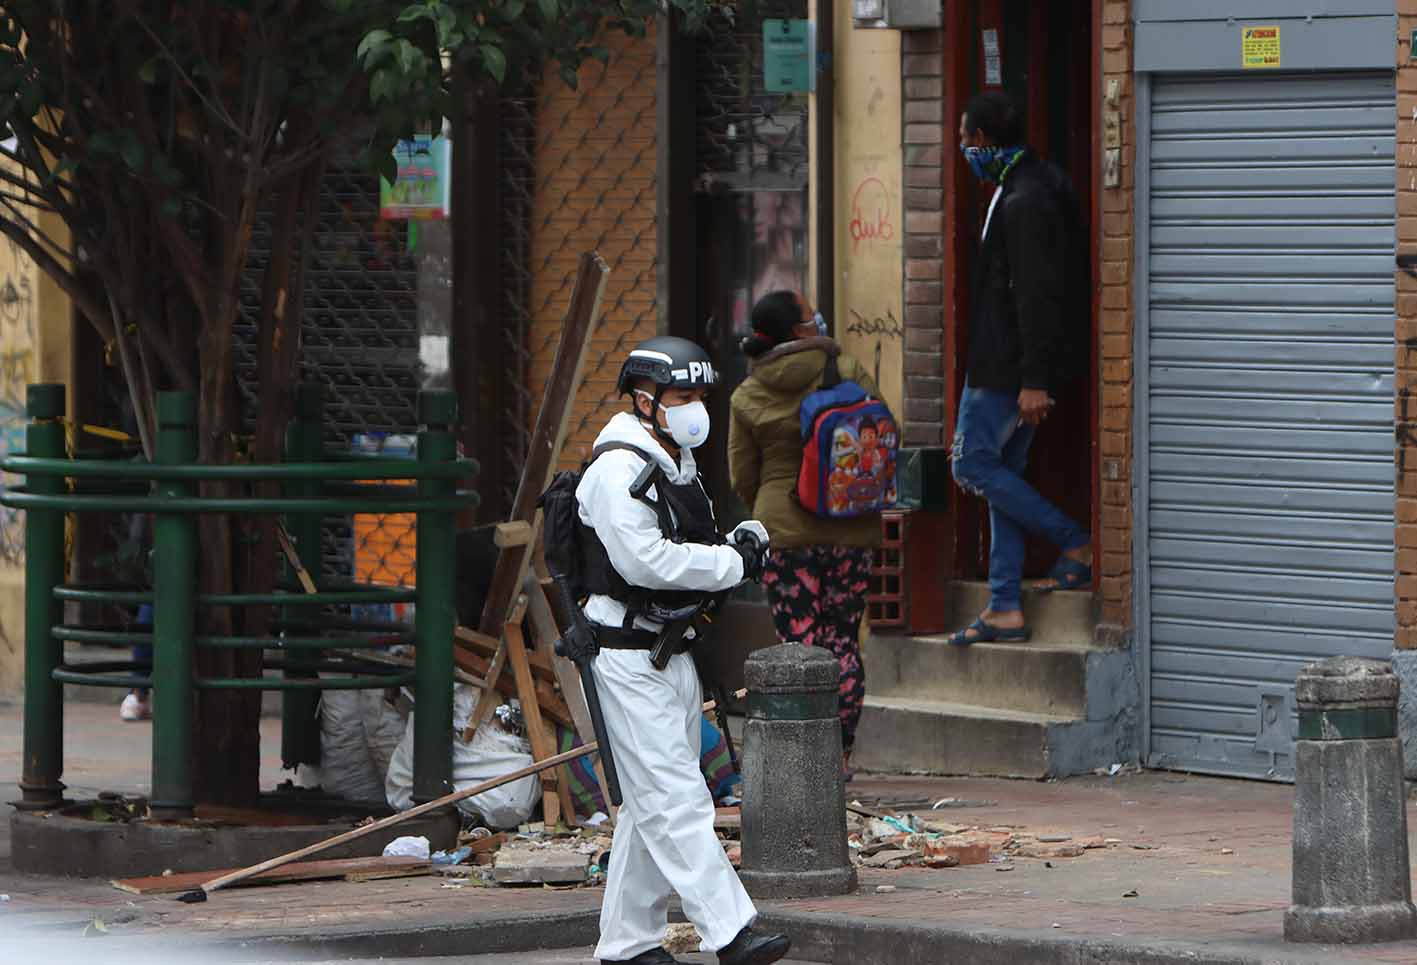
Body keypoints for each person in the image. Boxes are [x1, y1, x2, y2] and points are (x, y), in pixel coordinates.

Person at [577, 335, 791, 965]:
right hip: (625, 652)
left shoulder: (675, 459)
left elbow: (689, 541)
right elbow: (646, 559)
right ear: (645, 400)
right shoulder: (617, 469)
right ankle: (731, 931)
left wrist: (738, 543)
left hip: (670, 650)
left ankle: (626, 946)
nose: (695, 407)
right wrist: (729, 564)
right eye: (681, 396)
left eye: (700, 395)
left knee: (652, 803)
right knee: (676, 797)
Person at [947, 90, 1092, 647]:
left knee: (973, 467)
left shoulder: (1024, 198)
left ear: (982, 140)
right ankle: (1005, 604)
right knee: (1001, 477)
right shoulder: (1029, 183)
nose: (964, 148)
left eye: (965, 139)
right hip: (1009, 365)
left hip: (1005, 371)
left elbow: (1035, 296)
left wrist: (1034, 379)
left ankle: (1075, 539)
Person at [727, 291, 880, 776]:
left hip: (784, 532)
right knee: (841, 639)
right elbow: (875, 437)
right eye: (810, 312)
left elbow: (741, 476)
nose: (818, 314)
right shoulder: (849, 370)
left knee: (798, 644)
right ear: (800, 330)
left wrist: (773, 507)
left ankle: (804, 754)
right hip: (850, 527)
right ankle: (840, 753)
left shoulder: (748, 394)